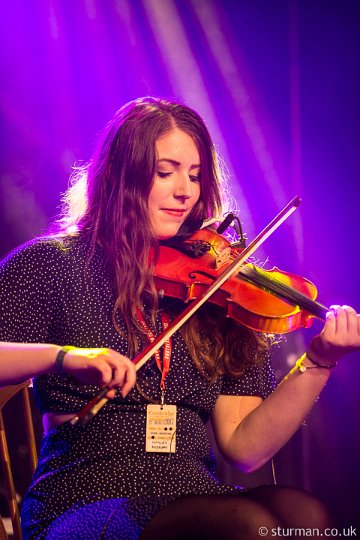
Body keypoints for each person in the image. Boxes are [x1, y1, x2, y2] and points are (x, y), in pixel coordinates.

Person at [0, 97, 359, 540]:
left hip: (194, 496)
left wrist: (320, 360)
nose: (185, 191)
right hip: (86, 497)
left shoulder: (218, 283)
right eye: (165, 172)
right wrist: (62, 357)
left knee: (306, 516)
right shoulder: (51, 264)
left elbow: (244, 448)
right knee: (249, 526)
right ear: (119, 175)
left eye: (194, 175)